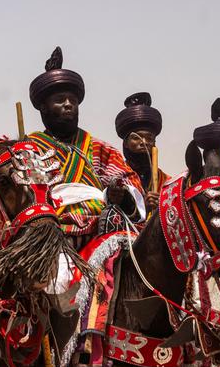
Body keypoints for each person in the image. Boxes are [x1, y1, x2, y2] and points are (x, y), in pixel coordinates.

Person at [26, 47, 144, 247]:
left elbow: (129, 182)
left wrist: (121, 195)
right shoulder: (31, 147)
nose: (68, 104)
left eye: (73, 100)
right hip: (52, 229)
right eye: (59, 100)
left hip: (102, 229)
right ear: (43, 107)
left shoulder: (100, 148)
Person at [114, 92, 168, 215]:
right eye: (137, 138)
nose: (144, 142)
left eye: (149, 138)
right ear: (126, 143)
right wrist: (142, 208)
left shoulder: (167, 182)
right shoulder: (116, 177)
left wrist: (163, 205)